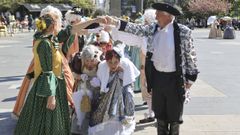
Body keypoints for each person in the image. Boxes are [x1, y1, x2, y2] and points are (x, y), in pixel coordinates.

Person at [103, 2, 199, 135]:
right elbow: (136, 29)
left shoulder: (183, 31)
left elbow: (190, 55)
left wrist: (191, 78)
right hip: (158, 78)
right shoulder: (153, 28)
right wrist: (115, 22)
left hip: (175, 79)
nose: (155, 16)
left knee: (175, 117)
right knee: (160, 116)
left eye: (158, 14)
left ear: (167, 16)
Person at [14, 5, 106, 135]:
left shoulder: (50, 39)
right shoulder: (45, 44)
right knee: (47, 120)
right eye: (57, 22)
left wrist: (94, 20)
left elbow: (73, 29)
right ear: (52, 26)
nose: (59, 24)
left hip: (55, 83)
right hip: (48, 88)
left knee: (52, 121)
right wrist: (51, 96)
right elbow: (48, 73)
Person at [88, 45, 140, 135]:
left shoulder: (126, 65)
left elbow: (129, 85)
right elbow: (102, 84)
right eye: (110, 62)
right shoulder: (103, 67)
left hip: (121, 101)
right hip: (106, 101)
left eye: (116, 62)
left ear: (120, 60)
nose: (113, 65)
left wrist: (121, 73)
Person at [71, 45, 102, 135]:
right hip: (83, 89)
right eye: (87, 61)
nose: (89, 64)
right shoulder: (78, 60)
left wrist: (99, 81)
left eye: (92, 61)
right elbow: (73, 73)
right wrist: (80, 76)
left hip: (96, 90)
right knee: (80, 111)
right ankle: (77, 132)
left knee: (94, 113)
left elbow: (107, 76)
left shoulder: (101, 61)